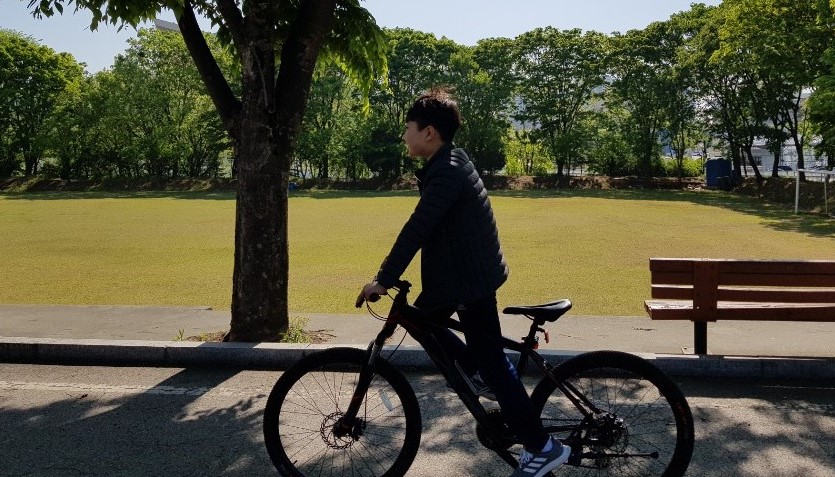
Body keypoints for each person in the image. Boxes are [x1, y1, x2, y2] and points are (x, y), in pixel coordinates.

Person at [356, 88, 570, 477]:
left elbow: (418, 228)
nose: (404, 135)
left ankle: (542, 447)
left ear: (429, 133)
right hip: (466, 275)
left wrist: (383, 279)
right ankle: (477, 371)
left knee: (492, 363)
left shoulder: (447, 172)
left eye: (408, 127)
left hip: (469, 281)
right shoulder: (451, 160)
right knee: (424, 321)